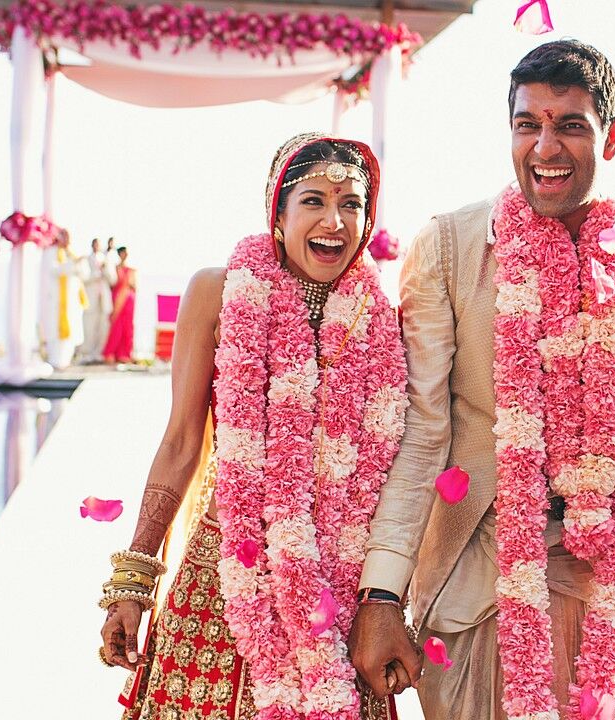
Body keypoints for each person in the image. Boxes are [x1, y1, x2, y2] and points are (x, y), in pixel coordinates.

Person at [348, 40, 615, 719]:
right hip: (471, 584)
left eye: (570, 125)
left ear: (614, 134)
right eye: (529, 124)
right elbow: (421, 431)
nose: (545, 147)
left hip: (599, 587)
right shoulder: (452, 245)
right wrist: (380, 593)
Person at [97, 133, 409, 719]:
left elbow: (398, 470)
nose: (333, 221)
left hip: (335, 581)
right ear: (279, 212)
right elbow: (183, 441)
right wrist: (135, 579)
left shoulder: (382, 322)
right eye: (313, 200)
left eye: (352, 204)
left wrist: (386, 598)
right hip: (224, 574)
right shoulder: (219, 292)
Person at [39, 228, 85, 369]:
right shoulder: (50, 253)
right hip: (57, 300)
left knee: (71, 329)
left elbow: (84, 273)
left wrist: (78, 264)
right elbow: (55, 270)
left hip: (71, 300)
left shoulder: (71, 253)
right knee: (55, 331)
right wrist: (73, 264)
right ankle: (55, 360)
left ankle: (66, 360)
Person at [81, 237, 116, 363]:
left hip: (104, 299)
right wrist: (95, 275)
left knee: (103, 327)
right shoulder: (86, 260)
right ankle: (88, 353)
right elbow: (83, 278)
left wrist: (105, 270)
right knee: (89, 326)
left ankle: (99, 353)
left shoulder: (106, 260)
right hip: (91, 298)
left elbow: (113, 280)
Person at [102, 246, 137, 364]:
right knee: (116, 325)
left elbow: (134, 286)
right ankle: (112, 352)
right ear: (120, 254)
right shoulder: (115, 268)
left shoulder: (132, 269)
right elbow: (112, 284)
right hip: (118, 299)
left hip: (129, 299)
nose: (126, 255)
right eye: (124, 253)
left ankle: (125, 353)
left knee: (127, 326)